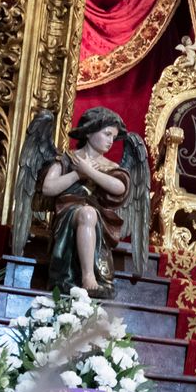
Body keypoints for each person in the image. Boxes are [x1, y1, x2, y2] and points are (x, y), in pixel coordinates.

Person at [42, 107, 133, 298]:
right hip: (68, 213)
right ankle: (88, 277)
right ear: (89, 132)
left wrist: (90, 171)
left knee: (90, 213)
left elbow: (120, 188)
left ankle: (92, 276)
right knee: (87, 213)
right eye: (107, 134)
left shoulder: (110, 166)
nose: (111, 141)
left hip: (99, 219)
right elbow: (48, 188)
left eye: (113, 137)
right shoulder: (68, 159)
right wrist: (77, 173)